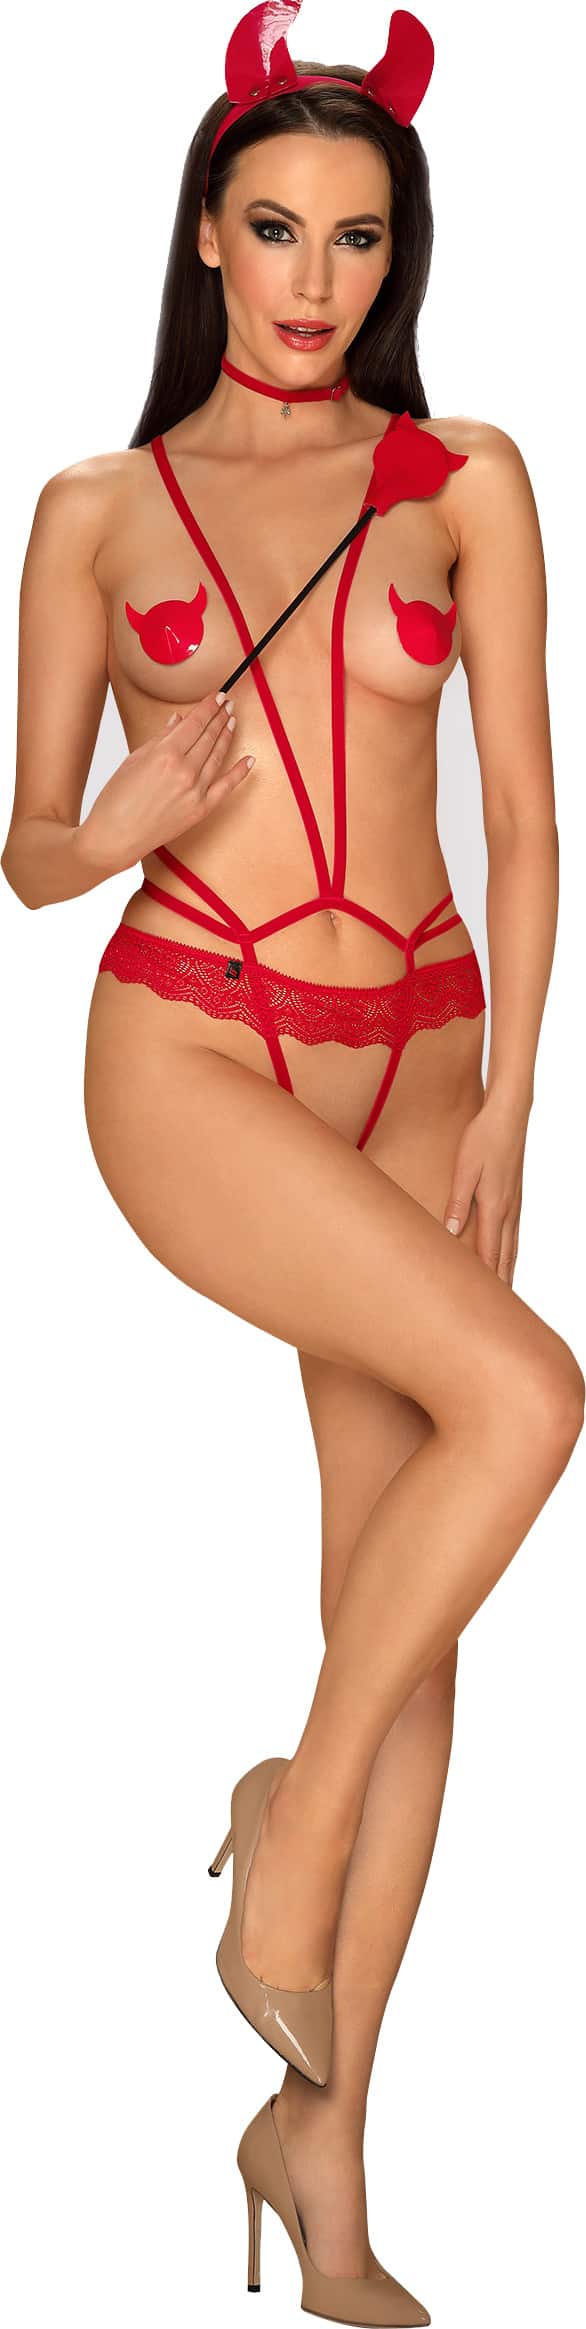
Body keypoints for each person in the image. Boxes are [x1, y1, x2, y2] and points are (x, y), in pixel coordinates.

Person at [2, 5, 583, 2319]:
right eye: (273, 230)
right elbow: (26, 847)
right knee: (526, 1405)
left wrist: (512, 1098)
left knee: (403, 1600)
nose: (313, 280)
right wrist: (106, 824)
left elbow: (522, 821)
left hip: (422, 1041)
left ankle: (317, 2165)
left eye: (356, 238)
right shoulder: (95, 510)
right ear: (203, 236)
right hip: (197, 1045)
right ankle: (289, 1823)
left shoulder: (464, 476)